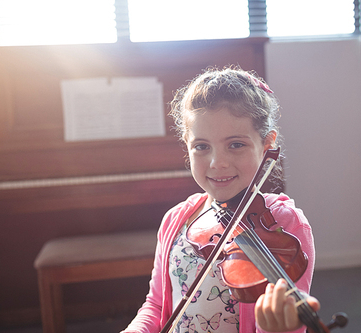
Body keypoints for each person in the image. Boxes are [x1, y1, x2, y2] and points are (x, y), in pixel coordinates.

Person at [121, 67, 319, 333]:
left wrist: (279, 329)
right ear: (187, 144)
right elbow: (156, 305)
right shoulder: (176, 220)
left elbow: (284, 321)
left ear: (266, 145)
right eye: (202, 147)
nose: (217, 163)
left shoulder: (283, 226)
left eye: (236, 145)